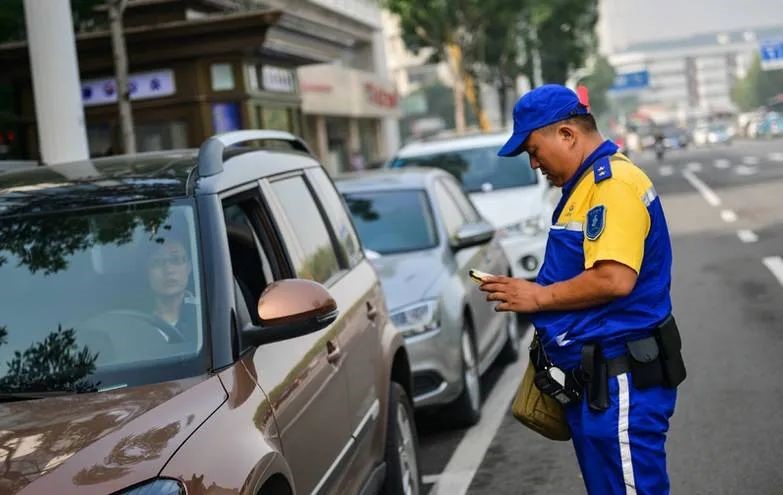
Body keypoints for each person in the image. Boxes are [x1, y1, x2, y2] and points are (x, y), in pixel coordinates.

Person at [480, 84, 685, 494]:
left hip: (620, 378)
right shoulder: (585, 187)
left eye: (534, 151)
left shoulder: (612, 185)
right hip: (597, 384)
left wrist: (537, 296)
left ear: (567, 135)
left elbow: (614, 278)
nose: (534, 164)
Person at [144, 233, 197, 335]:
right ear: (147, 272)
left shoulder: (205, 313)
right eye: (157, 262)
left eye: (176, 259)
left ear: (189, 267)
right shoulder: (134, 321)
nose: (168, 270)